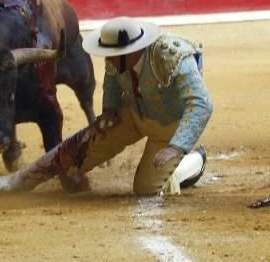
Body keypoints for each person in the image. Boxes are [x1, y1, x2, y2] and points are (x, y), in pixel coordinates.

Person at [70, 17, 213, 195]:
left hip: (167, 126)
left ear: (129, 53)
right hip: (133, 113)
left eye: (112, 56)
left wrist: (177, 146)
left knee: (146, 190)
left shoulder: (172, 57)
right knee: (77, 158)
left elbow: (201, 103)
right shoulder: (118, 60)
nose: (108, 60)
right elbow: (112, 77)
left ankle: (192, 162)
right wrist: (110, 109)